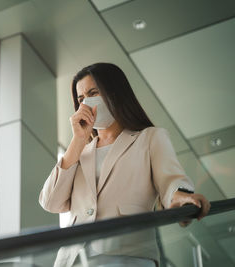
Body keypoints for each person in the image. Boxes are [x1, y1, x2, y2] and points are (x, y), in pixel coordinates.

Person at [38, 63, 211, 267]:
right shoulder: (79, 152)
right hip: (74, 260)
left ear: (114, 93)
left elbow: (171, 181)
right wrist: (78, 140)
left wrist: (183, 198)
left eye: (93, 93)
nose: (86, 103)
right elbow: (50, 202)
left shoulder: (149, 138)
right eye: (81, 99)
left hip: (128, 256)